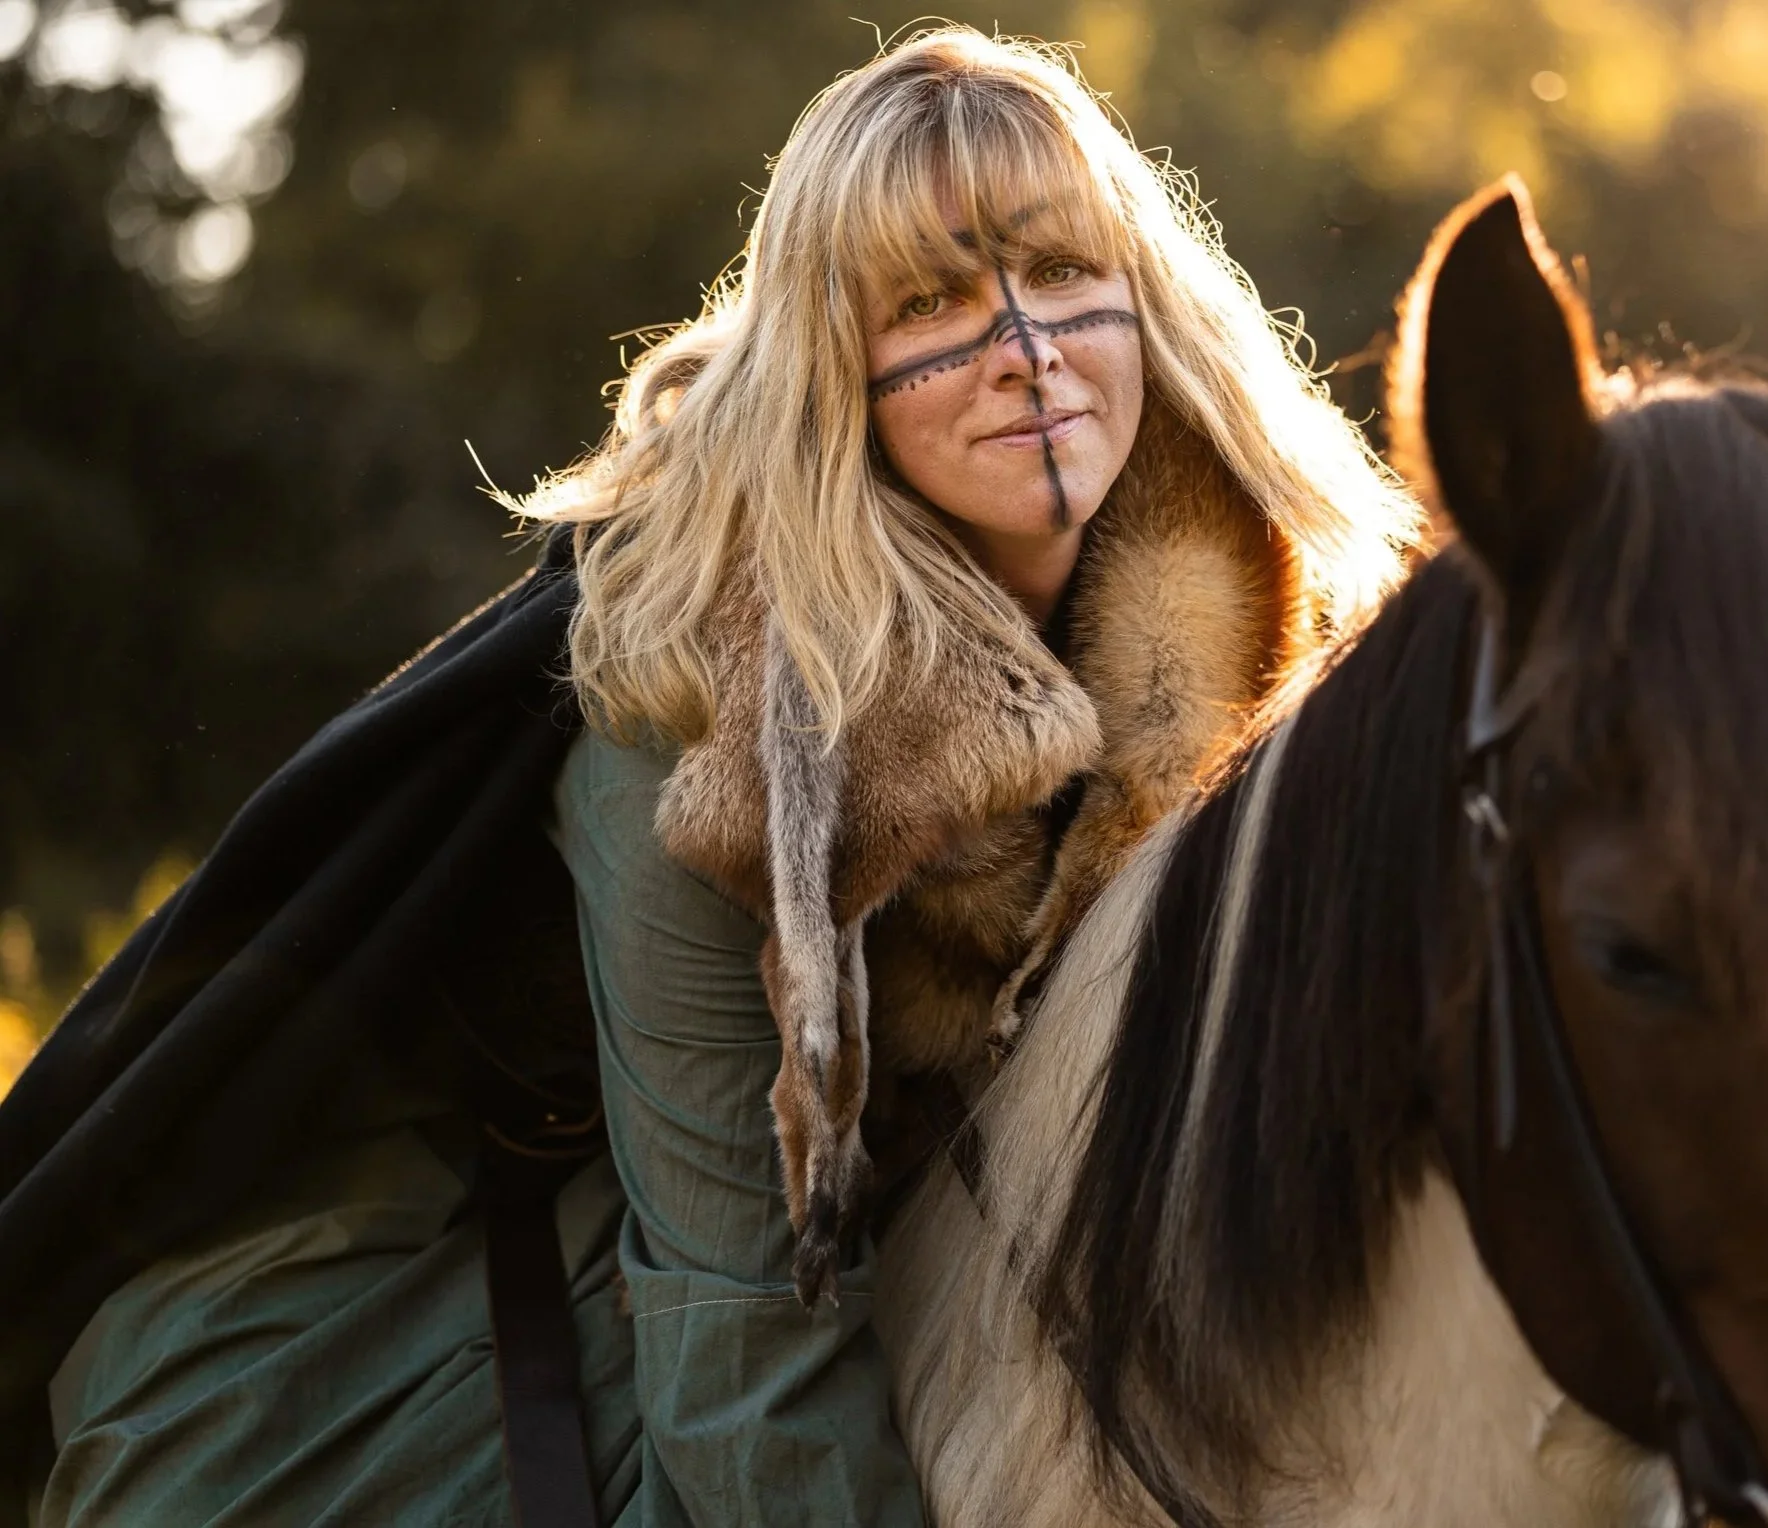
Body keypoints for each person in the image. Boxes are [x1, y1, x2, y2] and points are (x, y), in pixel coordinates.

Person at [0, 27, 1418, 1527]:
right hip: (396, 1349)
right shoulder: (695, 707)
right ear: (834, 370)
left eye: (1062, 273)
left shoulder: (1266, 634)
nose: (1021, 347)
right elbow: (740, 1305)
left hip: (895, 1247)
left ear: (1147, 304)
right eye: (928, 301)